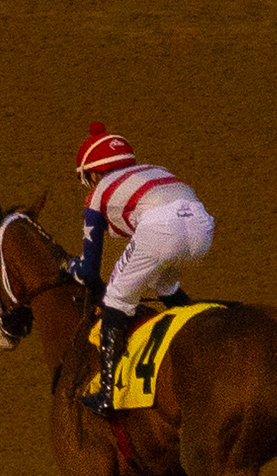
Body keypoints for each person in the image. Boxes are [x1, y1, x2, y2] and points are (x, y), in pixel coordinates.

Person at [70, 122, 214, 414]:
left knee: (116, 297)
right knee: (164, 284)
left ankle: (107, 395)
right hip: (202, 228)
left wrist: (68, 265)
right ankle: (195, 331)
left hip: (160, 230)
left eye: (89, 178)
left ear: (95, 173)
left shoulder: (97, 194)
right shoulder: (155, 169)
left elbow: (88, 271)